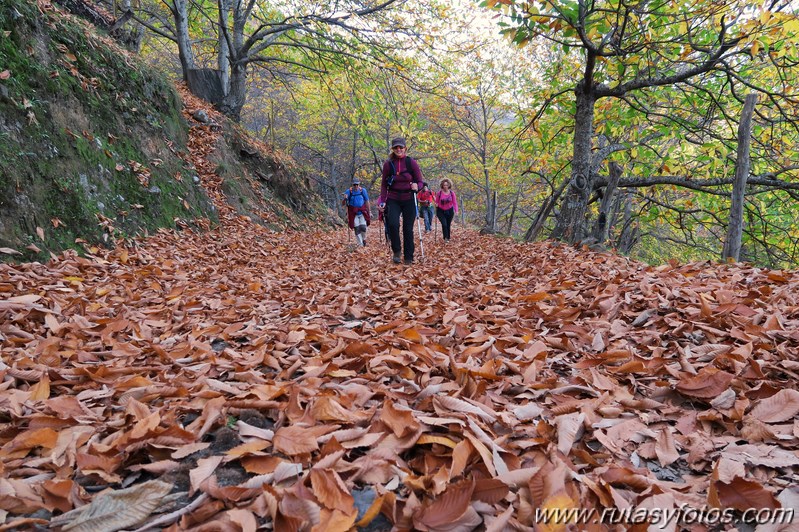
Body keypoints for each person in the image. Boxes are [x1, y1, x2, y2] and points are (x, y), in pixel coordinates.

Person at [377, 137, 423, 264]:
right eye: (396, 147)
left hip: (409, 198)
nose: (398, 149)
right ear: (393, 149)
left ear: (405, 148)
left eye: (401, 147)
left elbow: (420, 181)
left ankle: (409, 256)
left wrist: (417, 187)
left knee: (408, 228)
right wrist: (382, 200)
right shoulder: (388, 164)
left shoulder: (411, 162)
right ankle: (396, 251)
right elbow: (383, 184)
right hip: (393, 198)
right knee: (392, 224)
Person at [342, 178, 370, 246]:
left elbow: (367, 201)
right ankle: (360, 244)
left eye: (357, 184)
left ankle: (364, 239)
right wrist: (345, 198)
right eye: (354, 185)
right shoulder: (349, 191)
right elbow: (343, 204)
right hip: (353, 213)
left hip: (362, 212)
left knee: (363, 227)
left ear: (359, 184)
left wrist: (369, 211)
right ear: (352, 185)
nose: (356, 186)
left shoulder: (363, 191)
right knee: (357, 228)